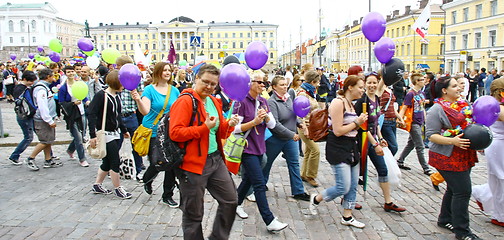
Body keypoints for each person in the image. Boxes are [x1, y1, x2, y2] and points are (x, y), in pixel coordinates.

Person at [169, 64, 240, 239]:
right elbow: (175, 133)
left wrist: (228, 125)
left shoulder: (214, 101)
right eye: (205, 82)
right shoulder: (185, 101)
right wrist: (203, 128)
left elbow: (219, 131)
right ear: (196, 79)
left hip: (215, 160)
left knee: (230, 200)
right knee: (193, 213)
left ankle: (218, 237)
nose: (209, 87)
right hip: (192, 165)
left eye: (213, 84)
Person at [426, 76, 481, 240]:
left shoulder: (463, 104)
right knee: (463, 191)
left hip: (464, 153)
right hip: (446, 156)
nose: (460, 88)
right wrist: (453, 141)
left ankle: (445, 219)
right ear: (444, 90)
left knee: (454, 189)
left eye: (459, 85)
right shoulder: (436, 109)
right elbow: (431, 136)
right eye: (455, 86)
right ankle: (462, 232)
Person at [309, 75, 367, 228]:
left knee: (353, 185)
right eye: (360, 87)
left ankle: (347, 216)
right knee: (343, 186)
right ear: (350, 87)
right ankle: (316, 198)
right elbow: (338, 130)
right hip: (339, 148)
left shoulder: (351, 104)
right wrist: (357, 122)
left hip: (352, 147)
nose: (363, 90)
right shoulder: (338, 102)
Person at [234, 70, 289, 232]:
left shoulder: (263, 101)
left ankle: (234, 204)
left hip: (259, 147)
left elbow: (272, 125)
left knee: (249, 180)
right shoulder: (241, 102)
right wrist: (254, 122)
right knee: (259, 183)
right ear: (249, 83)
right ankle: (269, 220)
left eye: (263, 82)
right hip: (246, 148)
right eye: (259, 82)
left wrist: (265, 117)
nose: (262, 85)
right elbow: (235, 129)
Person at [355, 72, 407, 213]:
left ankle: (388, 202)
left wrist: (381, 137)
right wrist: (375, 144)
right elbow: (363, 127)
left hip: (373, 139)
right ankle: (347, 198)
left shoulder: (376, 99)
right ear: (364, 84)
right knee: (356, 171)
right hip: (362, 141)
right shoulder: (362, 102)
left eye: (374, 83)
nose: (372, 85)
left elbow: (376, 122)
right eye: (369, 83)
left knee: (382, 169)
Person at [131, 62, 180, 207]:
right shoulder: (149, 90)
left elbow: (178, 110)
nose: (167, 72)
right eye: (164, 70)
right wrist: (138, 100)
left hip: (169, 132)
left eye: (169, 70)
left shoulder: (174, 90)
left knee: (171, 164)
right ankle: (148, 178)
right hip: (152, 131)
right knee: (156, 162)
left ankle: (167, 195)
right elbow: (145, 111)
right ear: (158, 72)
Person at [262, 75, 310, 201]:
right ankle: (261, 184)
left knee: (294, 164)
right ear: (274, 87)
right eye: (281, 85)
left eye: (285, 84)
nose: (285, 87)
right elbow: (275, 124)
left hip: (290, 139)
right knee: (267, 163)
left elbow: (294, 114)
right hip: (275, 139)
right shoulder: (271, 102)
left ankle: (298, 191)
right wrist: (292, 134)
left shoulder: (289, 98)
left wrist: (300, 123)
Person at [88, 70, 132, 199]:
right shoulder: (101, 95)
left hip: (115, 132)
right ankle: (118, 188)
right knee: (114, 161)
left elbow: (118, 115)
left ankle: (97, 184)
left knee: (107, 161)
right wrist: (92, 135)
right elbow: (91, 114)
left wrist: (124, 130)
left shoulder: (116, 96)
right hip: (105, 134)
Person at [472, 77, 504, 227]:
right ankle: (500, 215)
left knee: (498, 181)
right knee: (500, 181)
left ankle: (481, 194)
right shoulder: (496, 106)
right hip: (499, 147)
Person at [397, 73, 434, 175]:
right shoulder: (410, 94)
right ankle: (426, 168)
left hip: (420, 121)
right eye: (422, 79)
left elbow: (422, 108)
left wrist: (425, 119)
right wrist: (400, 118)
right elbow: (404, 107)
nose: (424, 81)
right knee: (420, 145)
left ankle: (400, 160)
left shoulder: (422, 93)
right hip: (413, 122)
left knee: (411, 143)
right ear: (416, 81)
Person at [26, 68, 61, 170]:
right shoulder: (41, 89)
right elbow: (42, 106)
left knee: (48, 140)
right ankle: (30, 158)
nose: (53, 78)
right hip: (42, 120)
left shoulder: (44, 87)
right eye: (52, 76)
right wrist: (49, 120)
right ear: (48, 77)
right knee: (44, 141)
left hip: (45, 119)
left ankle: (48, 160)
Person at [117, 56, 144, 180]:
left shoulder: (136, 78)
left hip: (131, 115)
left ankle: (138, 168)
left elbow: (141, 95)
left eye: (118, 66)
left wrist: (136, 94)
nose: (116, 67)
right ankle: (115, 168)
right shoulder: (116, 78)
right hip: (117, 116)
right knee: (116, 144)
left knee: (135, 143)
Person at [58, 65, 90, 167]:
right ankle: (82, 159)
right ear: (65, 74)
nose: (71, 73)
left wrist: (87, 101)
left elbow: (84, 95)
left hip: (82, 113)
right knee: (79, 138)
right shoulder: (63, 88)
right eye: (68, 72)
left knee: (82, 135)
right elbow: (61, 102)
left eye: (72, 71)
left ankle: (70, 149)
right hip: (71, 115)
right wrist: (72, 104)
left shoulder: (79, 84)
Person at [297, 70, 322, 187]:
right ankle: (311, 175)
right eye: (317, 82)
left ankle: (303, 173)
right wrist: (305, 128)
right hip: (305, 126)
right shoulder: (303, 94)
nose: (318, 85)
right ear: (312, 82)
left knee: (308, 151)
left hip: (311, 125)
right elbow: (299, 113)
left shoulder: (310, 92)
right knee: (316, 151)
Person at [8, 71, 37, 165]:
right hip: (26, 116)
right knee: (28, 138)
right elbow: (29, 103)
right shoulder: (23, 89)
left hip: (23, 115)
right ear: (24, 79)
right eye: (30, 81)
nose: (32, 83)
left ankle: (50, 154)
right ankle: (14, 156)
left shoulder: (19, 88)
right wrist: (34, 109)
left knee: (39, 136)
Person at [379, 81, 404, 156]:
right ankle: (384, 161)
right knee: (394, 147)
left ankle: (386, 163)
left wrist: (400, 118)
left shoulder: (389, 89)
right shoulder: (380, 89)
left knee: (390, 145)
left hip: (392, 121)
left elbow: (392, 107)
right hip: (385, 121)